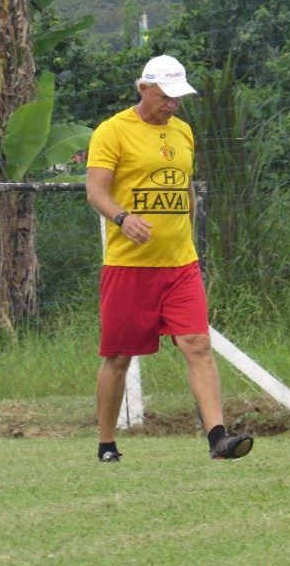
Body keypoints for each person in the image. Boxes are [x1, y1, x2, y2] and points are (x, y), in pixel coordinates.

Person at [85, 54, 253, 463]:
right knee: (118, 357)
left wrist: (191, 239)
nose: (173, 104)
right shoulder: (113, 131)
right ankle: (107, 443)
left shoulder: (183, 132)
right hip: (129, 266)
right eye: (165, 96)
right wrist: (123, 219)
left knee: (197, 344)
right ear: (143, 89)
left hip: (180, 263)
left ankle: (218, 438)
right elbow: (96, 191)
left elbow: (187, 188)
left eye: (178, 97)